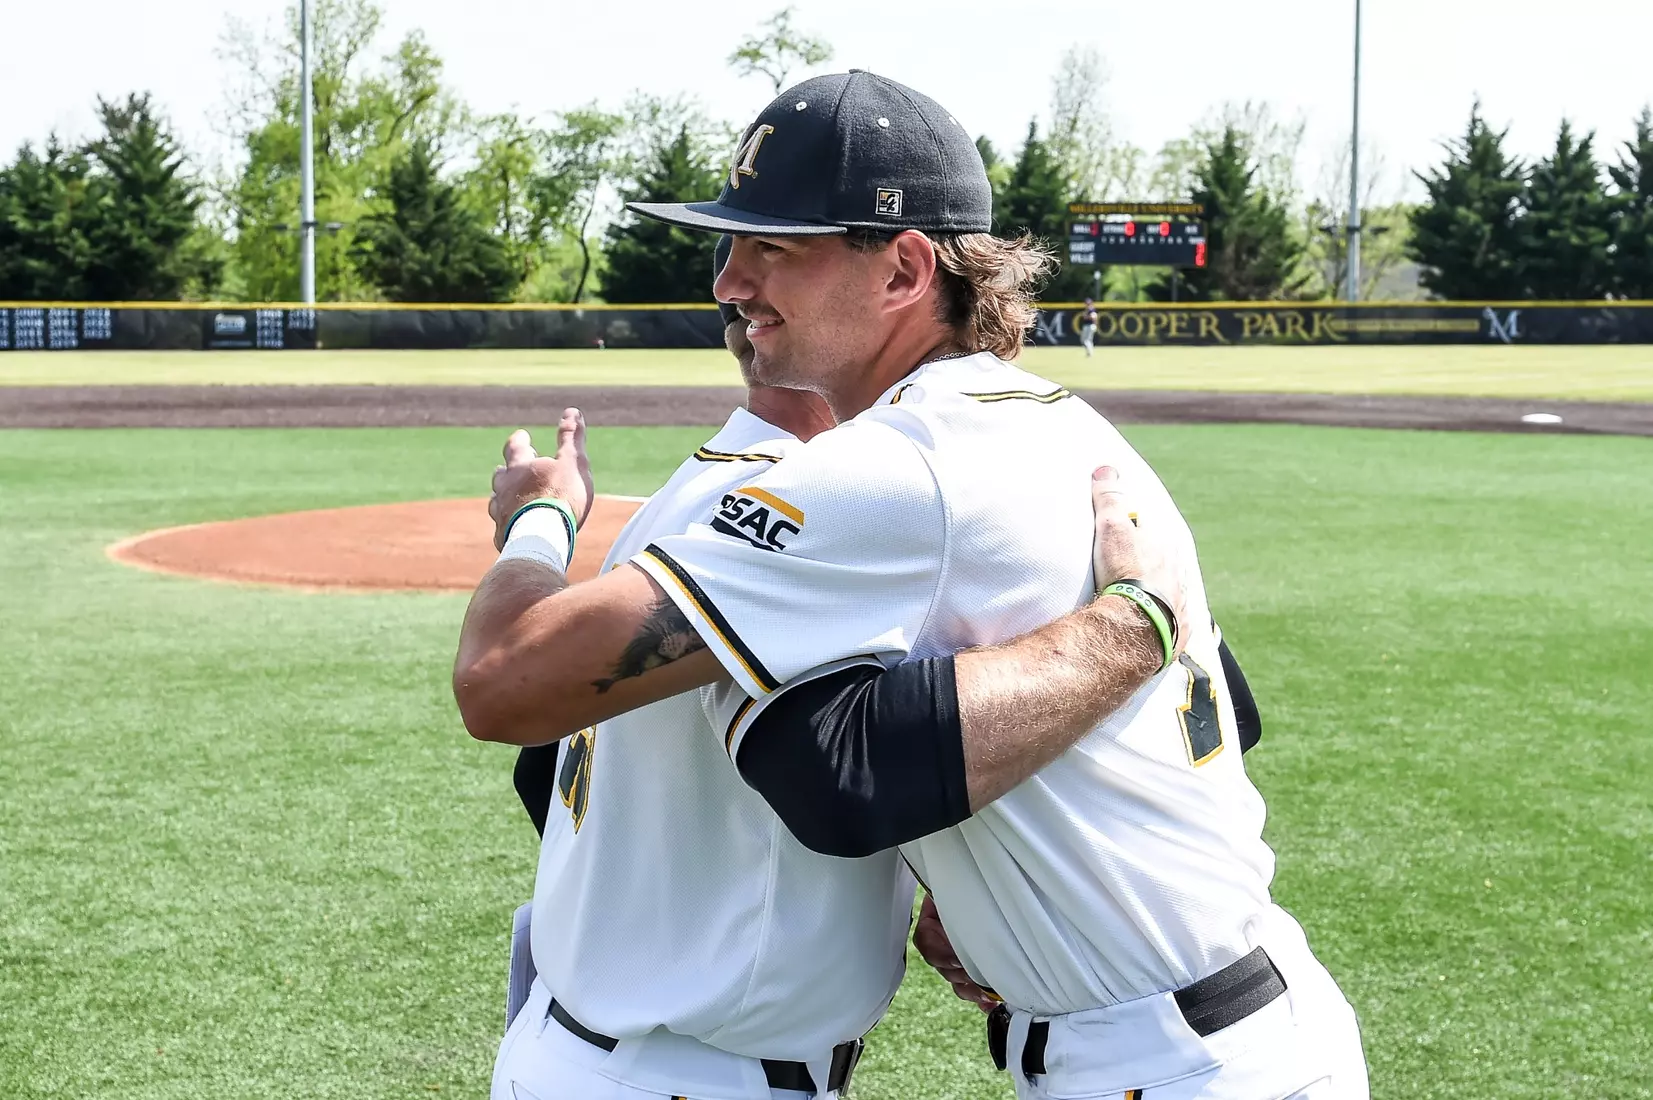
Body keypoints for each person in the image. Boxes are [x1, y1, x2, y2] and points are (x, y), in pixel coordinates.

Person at [458, 70, 1365, 1100]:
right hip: (1230, 1028)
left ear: (903, 269)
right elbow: (1227, 708)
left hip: (1173, 1062)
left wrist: (539, 519)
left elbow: (507, 683)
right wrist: (982, 870)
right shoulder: (1069, 427)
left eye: (775, 248)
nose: (730, 282)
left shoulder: (897, 463)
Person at [477, 230, 1200, 1100]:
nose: (734, 283)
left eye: (774, 253)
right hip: (690, 1071)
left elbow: (545, 770)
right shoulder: (823, 514)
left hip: (597, 1044)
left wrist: (966, 877)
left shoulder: (690, 502)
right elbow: (843, 777)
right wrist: (1134, 629)